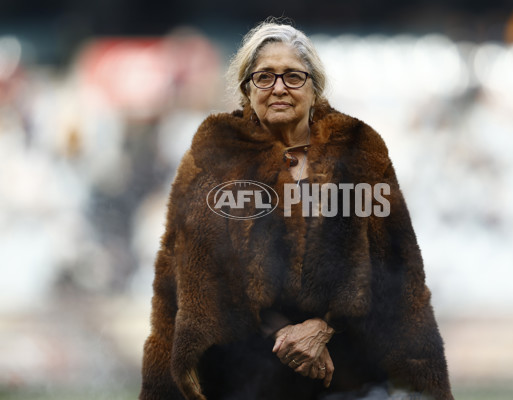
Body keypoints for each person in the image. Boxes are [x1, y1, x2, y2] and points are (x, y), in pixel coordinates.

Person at [139, 19, 453, 400]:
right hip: (249, 373)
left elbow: (396, 274)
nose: (279, 89)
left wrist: (324, 327)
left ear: (315, 88)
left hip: (351, 372)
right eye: (264, 78)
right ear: (245, 89)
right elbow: (191, 289)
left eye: (293, 77)